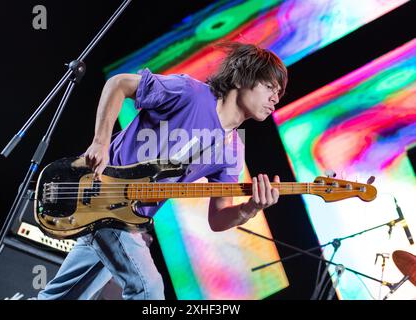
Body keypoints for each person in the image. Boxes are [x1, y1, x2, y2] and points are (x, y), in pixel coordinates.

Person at [38, 42, 288, 300]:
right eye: (270, 87)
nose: (275, 99)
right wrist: (100, 142)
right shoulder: (191, 93)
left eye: (279, 93)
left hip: (128, 216)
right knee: (150, 293)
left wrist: (250, 209)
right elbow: (119, 84)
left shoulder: (233, 149)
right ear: (243, 77)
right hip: (99, 190)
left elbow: (218, 218)